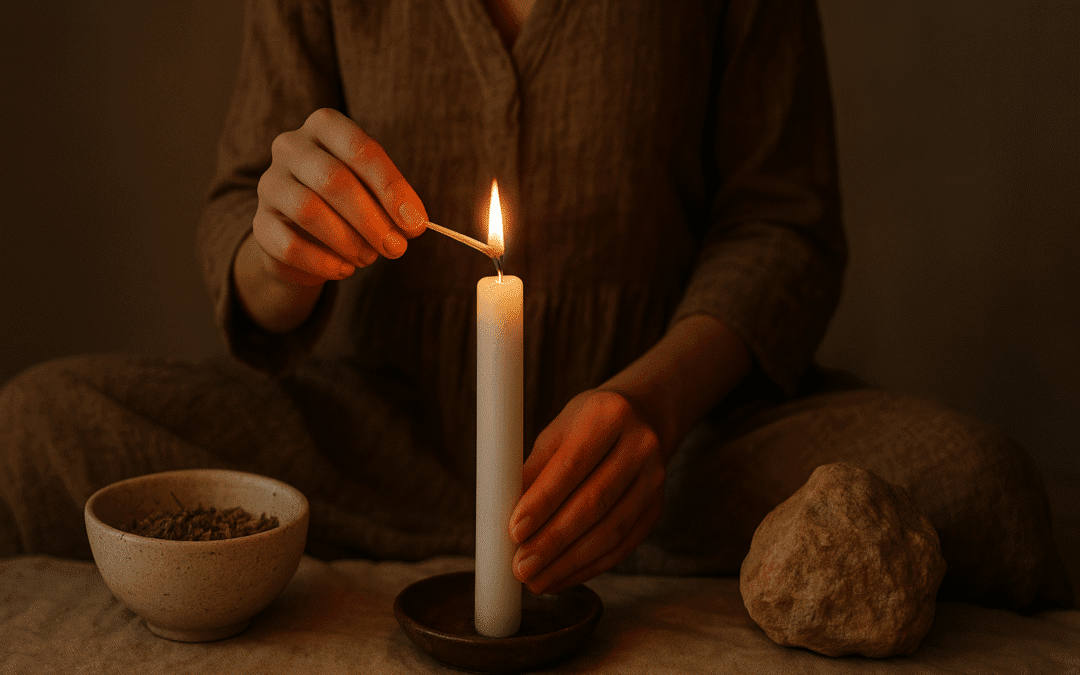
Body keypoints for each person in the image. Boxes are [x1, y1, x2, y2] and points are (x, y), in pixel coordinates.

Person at [0, 0, 1071, 610]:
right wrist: (279, 253)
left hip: (683, 451)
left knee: (978, 487)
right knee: (37, 427)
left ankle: (618, 497)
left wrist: (651, 413)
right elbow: (242, 216)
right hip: (384, 432)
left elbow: (782, 225)